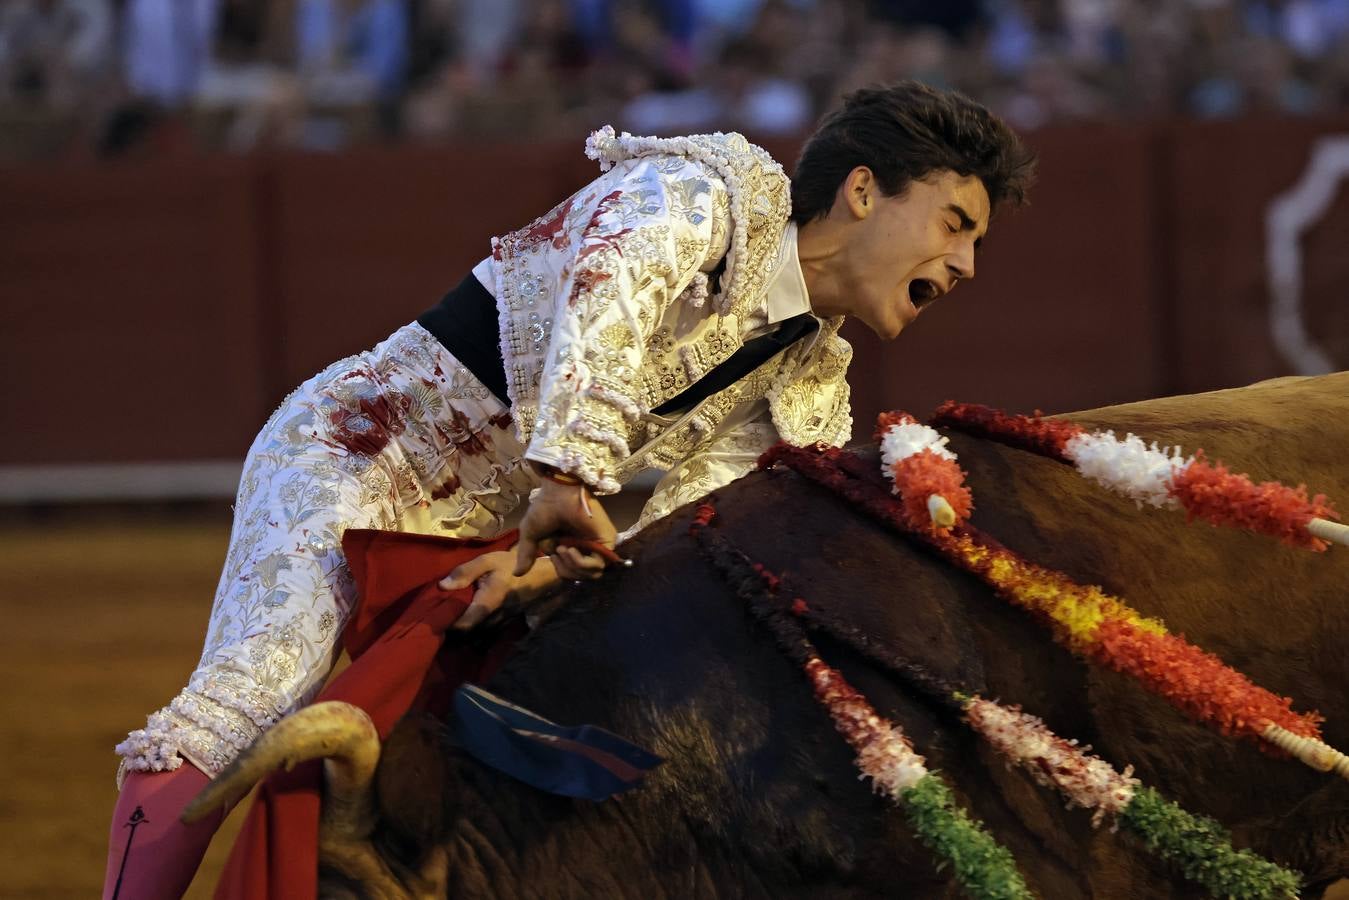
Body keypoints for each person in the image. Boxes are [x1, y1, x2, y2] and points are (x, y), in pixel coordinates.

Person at [101, 80, 1035, 898]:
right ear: (863, 190)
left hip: (497, 551)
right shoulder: (702, 195)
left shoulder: (806, 386)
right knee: (239, 711)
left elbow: (687, 527)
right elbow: (607, 293)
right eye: (955, 225)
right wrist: (567, 476)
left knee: (476, 771)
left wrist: (558, 574)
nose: (965, 267)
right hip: (356, 458)